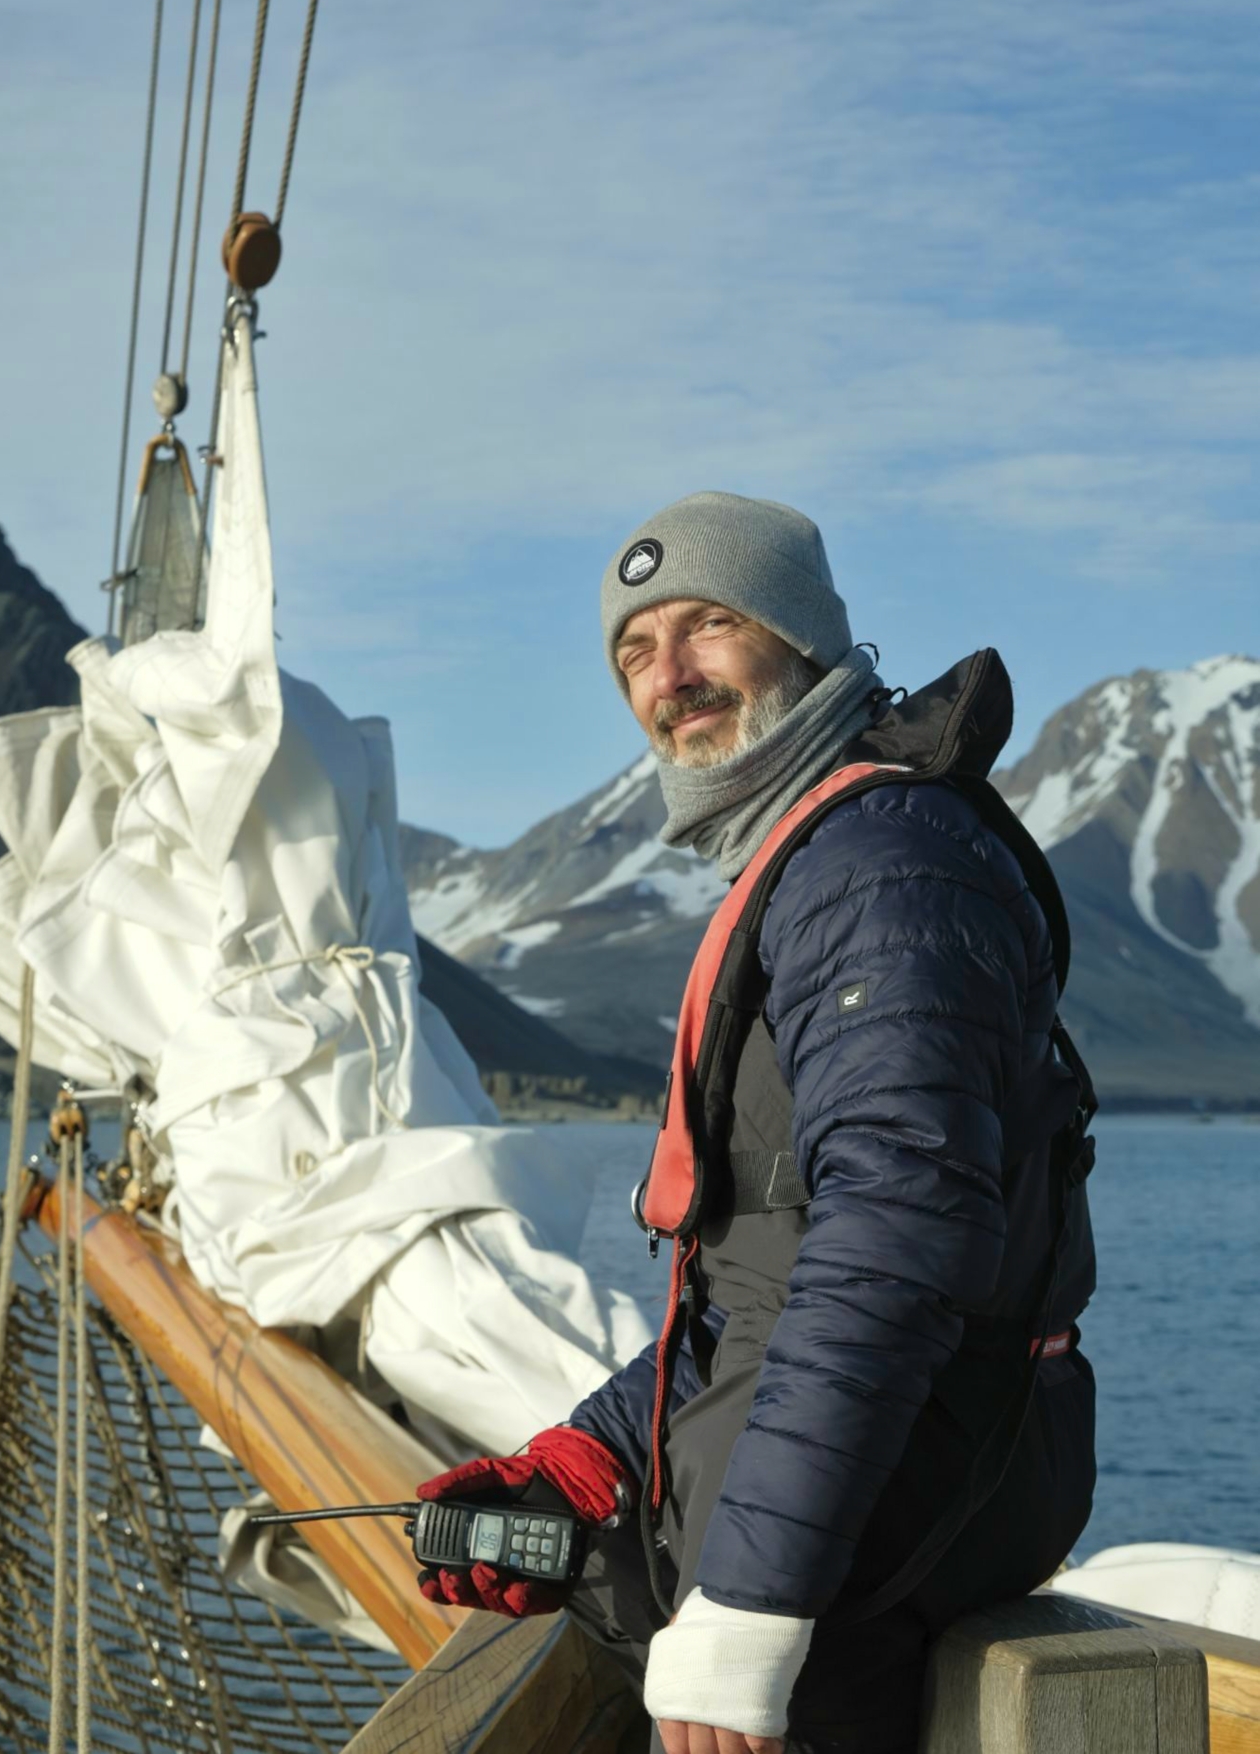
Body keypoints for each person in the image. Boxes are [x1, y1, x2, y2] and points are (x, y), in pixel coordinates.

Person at [417, 492, 1097, 1754]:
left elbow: (893, 1245)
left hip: (850, 1564)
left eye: (709, 624)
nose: (667, 675)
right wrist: (590, 1459)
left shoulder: (880, 868)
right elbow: (756, 1289)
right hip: (847, 1522)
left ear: (801, 637)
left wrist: (747, 1607)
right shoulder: (829, 854)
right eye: (634, 649)